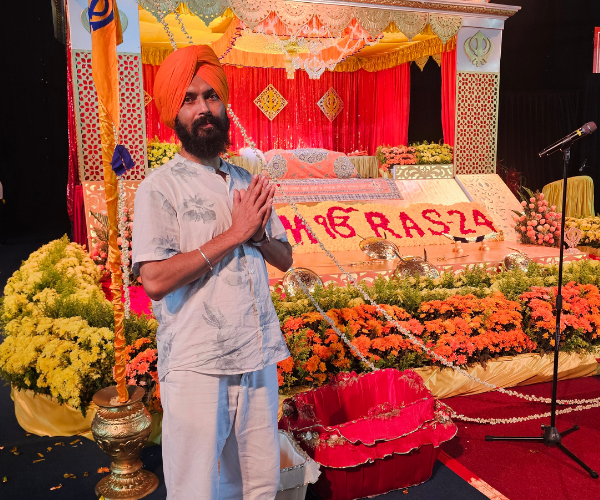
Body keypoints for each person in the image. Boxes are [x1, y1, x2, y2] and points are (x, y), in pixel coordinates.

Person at [132, 45, 293, 500]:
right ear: (173, 114)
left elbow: (285, 258)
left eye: (211, 96)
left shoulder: (245, 180)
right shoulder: (159, 187)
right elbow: (154, 280)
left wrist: (257, 236)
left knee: (259, 485)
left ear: (223, 105)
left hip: (256, 357)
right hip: (197, 362)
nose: (202, 108)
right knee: (197, 489)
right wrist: (234, 233)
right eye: (189, 99)